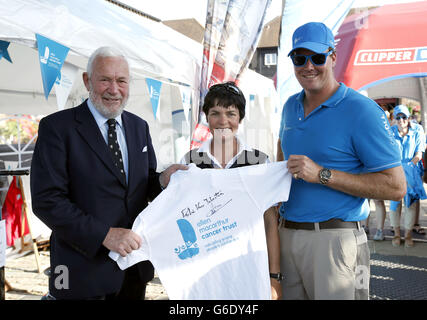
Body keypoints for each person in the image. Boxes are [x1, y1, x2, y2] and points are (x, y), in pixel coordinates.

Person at [30, 46, 186, 300]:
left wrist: (161, 180)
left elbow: (141, 184)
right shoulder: (57, 128)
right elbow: (47, 201)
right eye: (105, 79)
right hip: (78, 271)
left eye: (121, 80)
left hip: (134, 268)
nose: (114, 89)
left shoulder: (139, 126)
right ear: (87, 80)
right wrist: (104, 235)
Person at [276, 22, 406, 300]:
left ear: (333, 57)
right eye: (300, 58)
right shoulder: (289, 107)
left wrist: (323, 174)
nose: (308, 65)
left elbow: (396, 187)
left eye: (317, 57)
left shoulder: (361, 111)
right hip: (286, 236)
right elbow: (282, 151)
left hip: (334, 241)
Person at [180, 81, 282, 300]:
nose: (223, 121)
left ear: (240, 119)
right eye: (215, 113)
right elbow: (183, 219)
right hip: (204, 270)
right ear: (206, 117)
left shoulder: (259, 161)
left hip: (249, 267)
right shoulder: (190, 162)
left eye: (230, 113)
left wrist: (274, 276)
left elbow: (270, 222)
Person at [389, 105, 426, 247]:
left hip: (412, 170)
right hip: (395, 171)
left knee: (410, 204)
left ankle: (408, 235)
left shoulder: (417, 130)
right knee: (394, 203)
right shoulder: (390, 132)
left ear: (409, 118)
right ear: (394, 119)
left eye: (404, 117)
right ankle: (397, 234)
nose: (401, 120)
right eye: (397, 117)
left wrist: (408, 166)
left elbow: (419, 153)